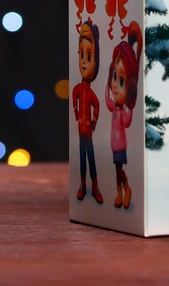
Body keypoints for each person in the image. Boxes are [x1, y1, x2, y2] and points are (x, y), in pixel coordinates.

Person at [105, 21, 142, 209]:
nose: (115, 85)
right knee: (116, 169)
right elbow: (108, 101)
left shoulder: (121, 112)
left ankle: (126, 189)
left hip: (120, 145)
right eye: (114, 77)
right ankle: (119, 191)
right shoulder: (115, 109)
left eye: (120, 81)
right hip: (114, 145)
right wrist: (107, 86)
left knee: (119, 169)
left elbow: (127, 122)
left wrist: (132, 107)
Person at [72, 20, 103, 204]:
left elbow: (97, 105)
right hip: (80, 131)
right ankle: (82, 185)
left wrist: (94, 122)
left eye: (89, 56)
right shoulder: (78, 88)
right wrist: (76, 111)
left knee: (91, 159)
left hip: (88, 133)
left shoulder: (91, 94)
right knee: (81, 159)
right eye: (81, 55)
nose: (83, 61)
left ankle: (95, 186)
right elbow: (74, 96)